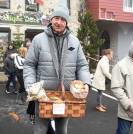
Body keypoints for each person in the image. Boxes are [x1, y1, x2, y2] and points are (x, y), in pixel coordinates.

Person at [23, 0, 91, 133]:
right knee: (41, 129)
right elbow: (29, 64)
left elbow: (82, 65)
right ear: (51, 19)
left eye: (62, 19)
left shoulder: (74, 41)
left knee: (61, 129)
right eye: (56, 18)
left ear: (66, 22)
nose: (58, 22)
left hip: (65, 95)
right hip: (43, 95)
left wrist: (85, 83)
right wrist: (30, 86)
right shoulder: (38, 40)